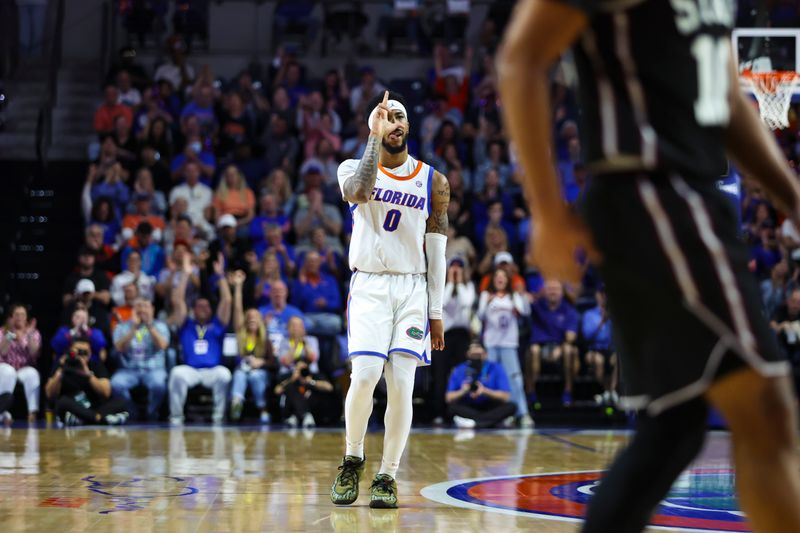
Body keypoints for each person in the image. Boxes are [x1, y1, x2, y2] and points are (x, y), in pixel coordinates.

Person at [497, 2, 800, 532]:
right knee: (768, 410)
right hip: (654, 195)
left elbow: (727, 102)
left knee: (675, 429)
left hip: (691, 200)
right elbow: (521, 58)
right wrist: (546, 210)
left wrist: (793, 199)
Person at [330, 90, 449, 509]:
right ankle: (353, 457)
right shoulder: (352, 167)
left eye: (398, 117)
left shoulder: (434, 180)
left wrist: (436, 311)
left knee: (401, 386)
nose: (393, 123)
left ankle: (387, 475)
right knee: (364, 378)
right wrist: (373, 137)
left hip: (413, 287)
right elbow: (361, 192)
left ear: (409, 125)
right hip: (369, 286)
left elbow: (437, 248)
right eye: (384, 118)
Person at [167, 254, 232, 425]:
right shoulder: (186, 324)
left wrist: (220, 275)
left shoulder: (217, 325)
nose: (202, 308)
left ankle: (218, 417)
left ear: (211, 309)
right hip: (191, 370)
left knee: (224, 374)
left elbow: (227, 300)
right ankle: (176, 417)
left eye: (206, 306)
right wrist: (186, 274)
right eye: (198, 306)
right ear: (193, 310)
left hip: (212, 370)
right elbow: (177, 300)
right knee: (176, 373)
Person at [477, 268, 533, 427]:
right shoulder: (485, 296)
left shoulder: (514, 296)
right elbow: (480, 316)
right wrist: (486, 302)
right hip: (491, 344)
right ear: (493, 280)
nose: (500, 279)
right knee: (492, 380)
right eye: (497, 276)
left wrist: (520, 296)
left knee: (514, 379)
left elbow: (524, 312)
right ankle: (497, 415)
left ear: (508, 280)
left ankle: (522, 413)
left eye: (503, 276)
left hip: (509, 343)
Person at [430, 256, 476, 425]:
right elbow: (443, 302)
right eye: (452, 267)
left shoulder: (468, 287)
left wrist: (458, 283)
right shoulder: (441, 287)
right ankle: (439, 412)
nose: (456, 270)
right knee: (440, 373)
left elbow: (466, 303)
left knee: (461, 374)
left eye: (459, 268)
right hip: (444, 334)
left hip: (462, 336)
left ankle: (459, 412)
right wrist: (450, 282)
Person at [45, 337, 128, 426]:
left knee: (122, 403)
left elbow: (106, 392)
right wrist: (60, 371)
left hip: (93, 408)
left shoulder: (96, 365)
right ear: (71, 351)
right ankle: (101, 419)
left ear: (90, 353)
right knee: (62, 402)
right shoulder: (62, 365)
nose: (82, 356)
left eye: (85, 353)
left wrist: (88, 374)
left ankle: (88, 419)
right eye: (78, 351)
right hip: (72, 407)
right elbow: (49, 394)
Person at [111, 299, 170, 421]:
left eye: (145, 306)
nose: (142, 309)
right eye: (138, 306)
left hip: (154, 369)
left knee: (159, 384)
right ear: (133, 310)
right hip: (128, 370)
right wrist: (133, 328)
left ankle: (151, 413)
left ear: (152, 309)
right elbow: (118, 348)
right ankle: (132, 413)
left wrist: (149, 326)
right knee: (116, 384)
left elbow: (163, 345)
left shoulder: (160, 326)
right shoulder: (122, 326)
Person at [229, 270, 275, 424]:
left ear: (261, 321)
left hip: (259, 372)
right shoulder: (241, 335)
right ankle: (236, 403)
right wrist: (238, 287)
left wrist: (260, 362)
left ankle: (263, 409)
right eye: (249, 317)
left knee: (255, 376)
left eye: (256, 317)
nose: (252, 319)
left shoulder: (265, 339)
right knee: (240, 374)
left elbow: (272, 362)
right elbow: (237, 309)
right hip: (243, 370)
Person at [528, 279, 579, 407]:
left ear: (562, 292)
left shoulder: (569, 310)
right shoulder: (536, 306)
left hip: (560, 346)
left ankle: (568, 392)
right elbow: (524, 298)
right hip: (540, 346)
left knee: (569, 350)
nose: (552, 292)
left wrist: (560, 349)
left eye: (556, 289)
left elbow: (571, 336)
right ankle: (531, 392)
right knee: (533, 350)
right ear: (544, 291)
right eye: (549, 289)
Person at [446, 341, 517, 429]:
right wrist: (463, 391)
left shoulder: (496, 367)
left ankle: (474, 423)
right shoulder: (460, 369)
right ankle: (491, 421)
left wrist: (484, 391)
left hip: (489, 405)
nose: (476, 358)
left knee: (512, 406)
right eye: (473, 355)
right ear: (467, 354)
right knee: (451, 408)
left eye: (478, 355)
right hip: (469, 405)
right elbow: (449, 398)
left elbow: (505, 397)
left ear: (485, 354)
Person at [275, 316, 326, 428]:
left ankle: (295, 415)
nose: (296, 329)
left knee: (309, 384)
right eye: (293, 326)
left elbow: (313, 358)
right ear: (288, 328)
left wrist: (304, 343)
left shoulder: (311, 340)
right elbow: (285, 361)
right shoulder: (284, 342)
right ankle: (305, 414)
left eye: (299, 326)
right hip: (290, 374)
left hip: (309, 373)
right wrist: (295, 345)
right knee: (291, 384)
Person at [0, 304, 41, 424]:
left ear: (26, 317)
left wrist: (29, 335)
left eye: (22, 314)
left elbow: (34, 354)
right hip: (5, 366)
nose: (19, 317)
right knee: (9, 372)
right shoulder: (2, 331)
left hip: (23, 368)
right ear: (11, 317)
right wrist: (11, 333)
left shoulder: (33, 333)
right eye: (16, 314)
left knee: (32, 374)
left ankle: (32, 412)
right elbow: (3, 351)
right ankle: (3, 410)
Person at [581, 288, 618, 406]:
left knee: (618, 359)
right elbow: (587, 336)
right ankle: (608, 392)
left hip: (611, 349)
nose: (604, 296)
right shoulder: (589, 314)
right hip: (594, 349)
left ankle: (611, 391)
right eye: (601, 293)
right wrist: (602, 321)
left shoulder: (617, 313)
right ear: (597, 295)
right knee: (598, 361)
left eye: (606, 293)